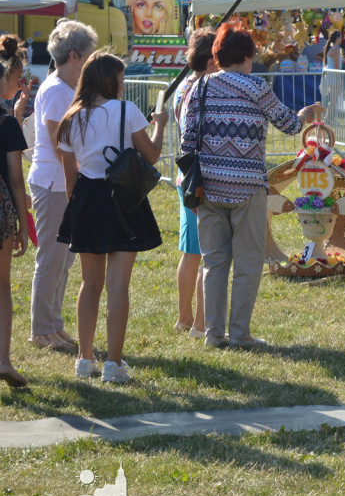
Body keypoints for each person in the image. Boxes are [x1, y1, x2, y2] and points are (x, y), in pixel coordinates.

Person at [180, 22, 320, 349]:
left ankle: (214, 335)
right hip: (247, 187)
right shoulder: (257, 86)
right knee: (247, 264)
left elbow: (187, 140)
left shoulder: (197, 87)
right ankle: (239, 334)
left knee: (214, 264)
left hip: (207, 188)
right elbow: (288, 124)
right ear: (246, 56)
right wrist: (307, 114)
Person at [56, 52, 168, 383]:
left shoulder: (71, 118)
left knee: (90, 284)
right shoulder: (126, 111)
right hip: (124, 199)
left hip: (86, 199)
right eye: (120, 79)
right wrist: (159, 124)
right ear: (111, 81)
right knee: (119, 285)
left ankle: (84, 358)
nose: (123, 84)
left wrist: (77, 210)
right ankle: (114, 364)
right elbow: (151, 155)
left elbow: (70, 178)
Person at [27, 21, 97, 352]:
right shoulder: (56, 91)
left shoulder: (66, 88)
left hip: (66, 181)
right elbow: (59, 145)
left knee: (64, 260)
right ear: (73, 56)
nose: (91, 61)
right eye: (88, 55)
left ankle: (54, 324)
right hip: (53, 183)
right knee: (52, 259)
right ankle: (41, 330)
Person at [172, 29, 216, 338]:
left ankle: (185, 318)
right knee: (207, 252)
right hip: (201, 177)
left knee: (191, 252)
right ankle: (200, 323)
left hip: (185, 175)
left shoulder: (183, 86)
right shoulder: (206, 88)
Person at [0, 51, 31, 388]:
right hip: (0, 214)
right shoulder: (6, 123)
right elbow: (16, 179)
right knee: (2, 287)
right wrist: (24, 225)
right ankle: (3, 360)